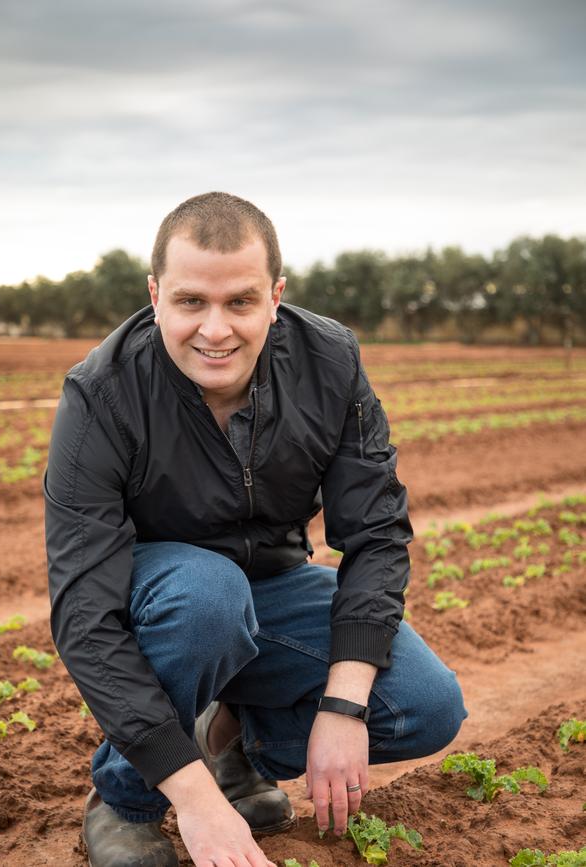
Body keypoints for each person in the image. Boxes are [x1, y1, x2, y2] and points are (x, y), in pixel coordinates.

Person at [44, 192, 466, 867]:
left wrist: (344, 704)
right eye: (190, 302)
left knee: (425, 704)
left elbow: (377, 534)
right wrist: (195, 801)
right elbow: (84, 614)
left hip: (273, 583)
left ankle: (235, 738)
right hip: (167, 595)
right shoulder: (103, 394)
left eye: (240, 301)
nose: (216, 329)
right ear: (156, 296)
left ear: (276, 294)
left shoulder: (329, 364)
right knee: (206, 596)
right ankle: (127, 800)